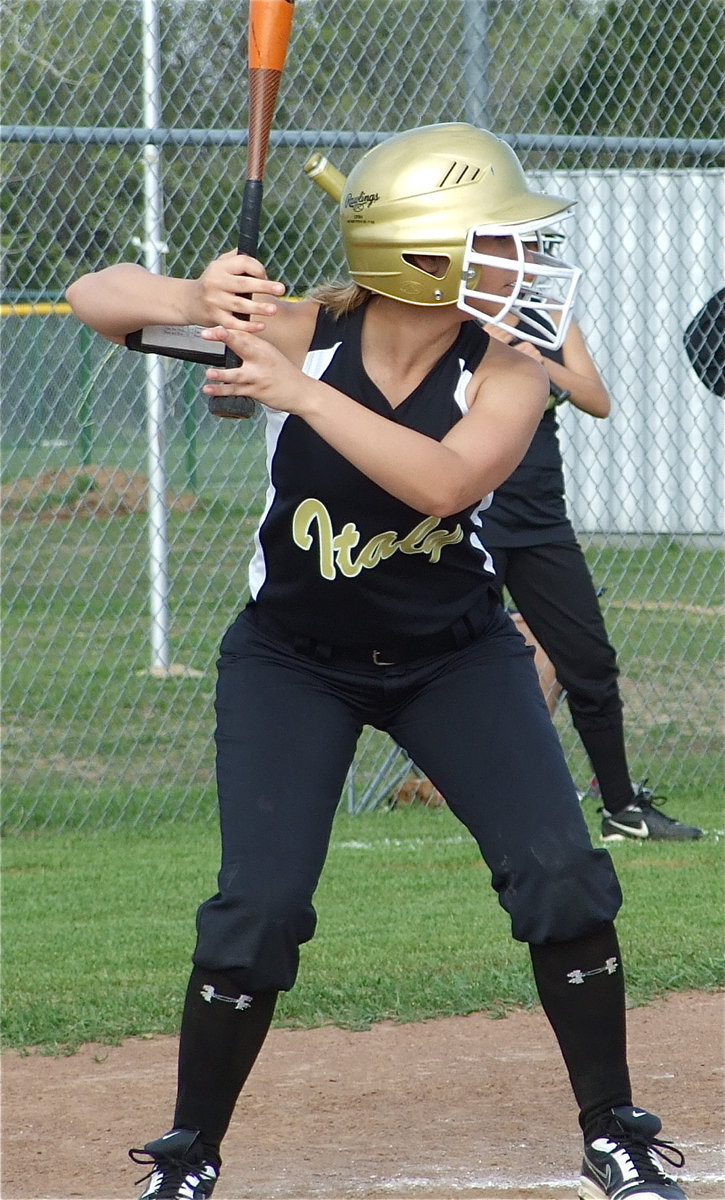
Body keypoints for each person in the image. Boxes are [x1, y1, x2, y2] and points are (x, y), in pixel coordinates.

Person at [66, 123, 689, 1200]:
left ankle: (613, 1134)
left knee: (561, 878)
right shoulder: (298, 331)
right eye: (494, 238)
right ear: (419, 256)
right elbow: (94, 297)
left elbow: (446, 483)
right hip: (290, 662)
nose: (521, 256)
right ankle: (187, 1155)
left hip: (456, 658)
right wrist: (199, 295)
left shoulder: (508, 361)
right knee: (259, 909)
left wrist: (296, 391)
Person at [478, 244, 703, 844]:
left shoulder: (548, 314)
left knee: (590, 663)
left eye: (534, 244)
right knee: (450, 658)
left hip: (541, 518)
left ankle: (621, 809)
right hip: (471, 511)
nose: (530, 257)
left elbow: (597, 399)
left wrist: (539, 365)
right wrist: (491, 344)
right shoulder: (453, 312)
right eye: (515, 244)